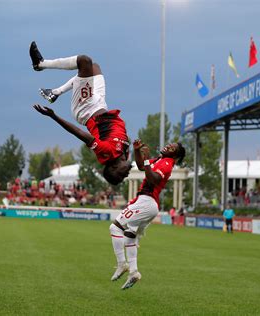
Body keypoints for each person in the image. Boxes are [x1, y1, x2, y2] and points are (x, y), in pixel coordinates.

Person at [30, 41, 131, 185]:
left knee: (85, 61)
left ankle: (40, 64)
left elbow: (79, 133)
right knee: (94, 67)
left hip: (86, 109)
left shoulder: (106, 152)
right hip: (100, 104)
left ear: (114, 168)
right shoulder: (124, 154)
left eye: (121, 175)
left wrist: (54, 116)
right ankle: (55, 92)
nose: (126, 175)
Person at [109, 139, 185, 290]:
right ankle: (133, 272)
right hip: (146, 202)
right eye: (170, 144)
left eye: (172, 147)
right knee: (130, 235)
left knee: (115, 228)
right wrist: (137, 150)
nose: (169, 145)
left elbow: (154, 178)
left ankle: (121, 264)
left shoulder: (167, 163)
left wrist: (148, 161)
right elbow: (140, 165)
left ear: (175, 155)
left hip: (147, 202)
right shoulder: (160, 159)